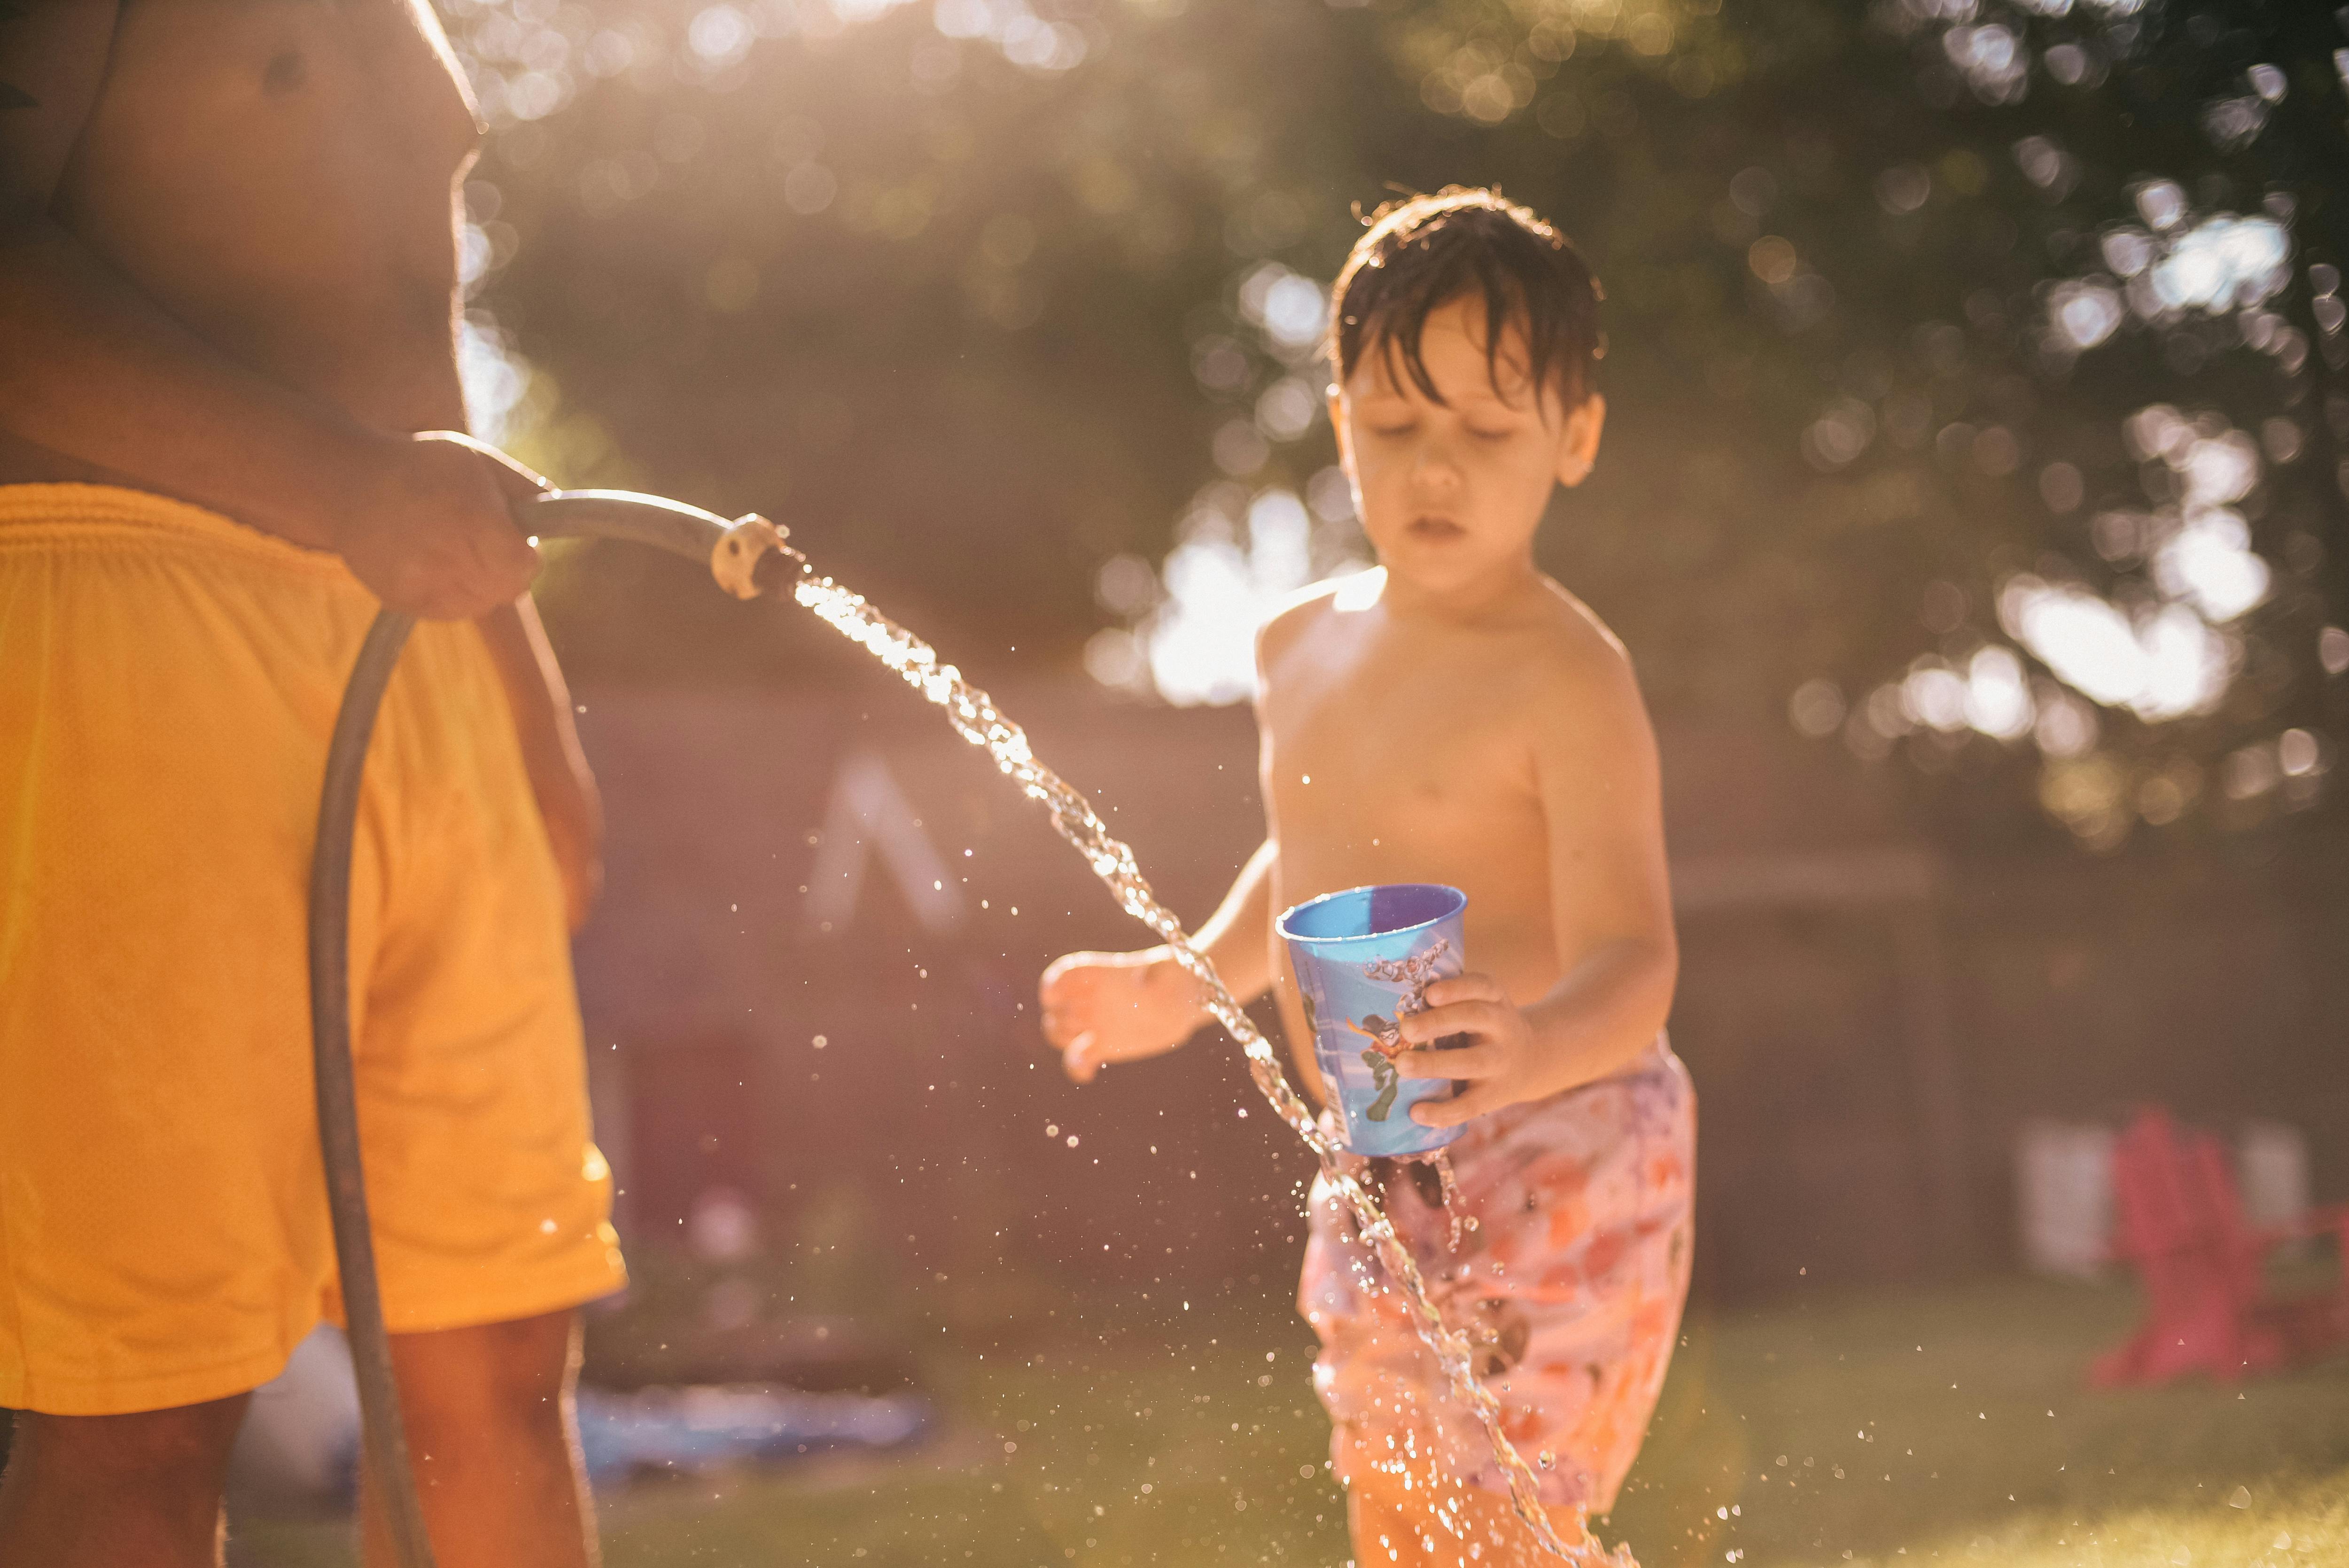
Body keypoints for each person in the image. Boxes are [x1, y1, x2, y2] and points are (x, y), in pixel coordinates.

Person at [0, 6, 624, 1566]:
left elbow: (416, 348)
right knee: (142, 1405)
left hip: (423, 629)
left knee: (498, 1357)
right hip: (140, 622)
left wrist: (528, 699)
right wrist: (341, 487)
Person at [1039, 189, 1695, 1566]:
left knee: (1504, 1513)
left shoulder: (1568, 675)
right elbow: (1314, 854)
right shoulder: (1294, 651)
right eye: (1396, 425)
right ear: (1340, 420)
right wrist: (1186, 979)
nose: (1436, 468)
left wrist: (1526, 1054)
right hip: (1385, 1154)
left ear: (1574, 438)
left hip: (1564, 1136)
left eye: (1486, 428)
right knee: (1398, 1504)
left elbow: (1638, 961)